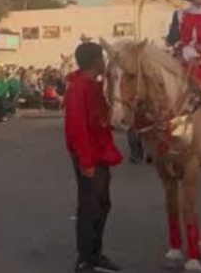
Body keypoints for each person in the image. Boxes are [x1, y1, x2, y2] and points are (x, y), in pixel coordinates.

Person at [64, 41, 123, 273]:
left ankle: (95, 254)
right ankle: (85, 259)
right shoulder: (79, 87)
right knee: (89, 207)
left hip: (100, 154)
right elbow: (76, 127)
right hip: (89, 156)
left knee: (102, 205)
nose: (104, 62)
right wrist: (86, 162)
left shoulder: (92, 84)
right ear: (96, 60)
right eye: (102, 58)